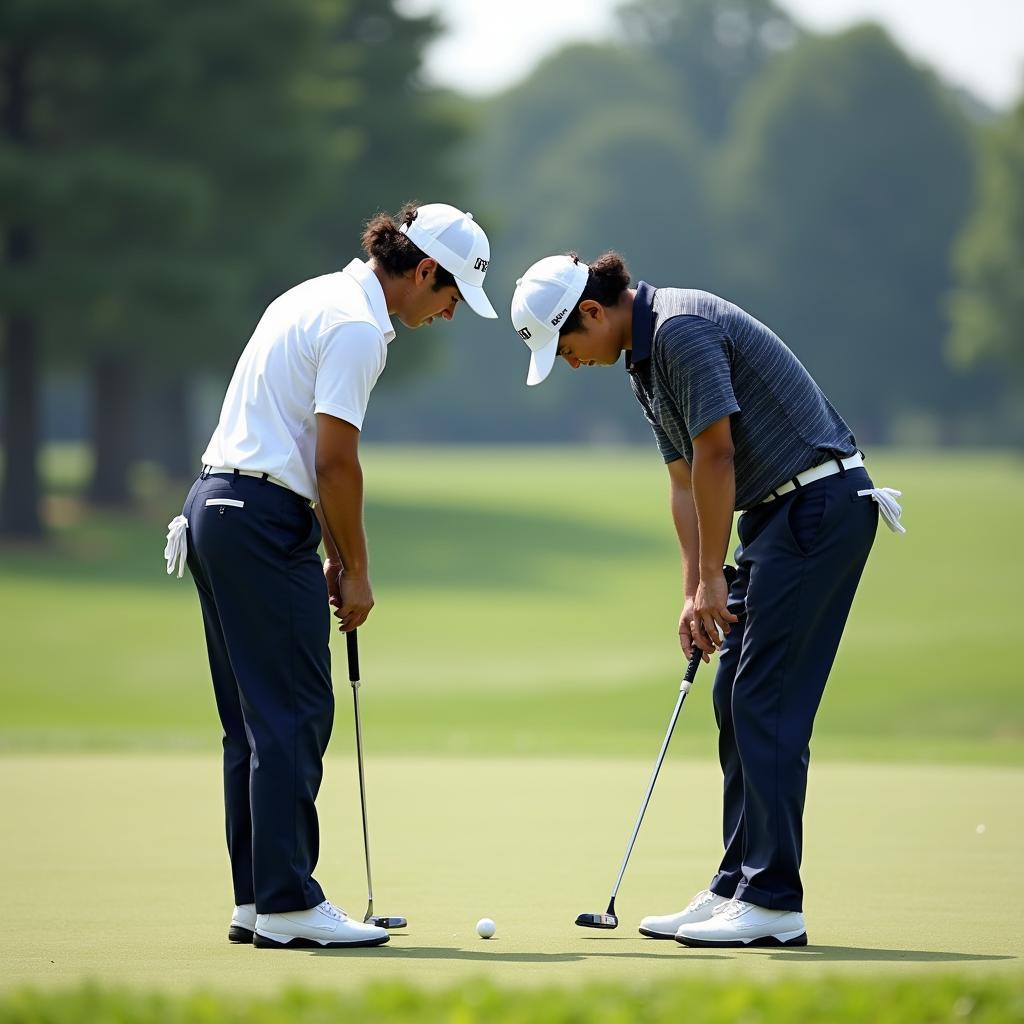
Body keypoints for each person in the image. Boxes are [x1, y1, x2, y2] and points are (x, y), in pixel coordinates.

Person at [510, 252, 903, 948]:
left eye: (567, 348)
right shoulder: (642, 359)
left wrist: (716, 580)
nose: (570, 363)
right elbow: (685, 479)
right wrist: (695, 585)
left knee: (765, 698)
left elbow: (718, 454)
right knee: (734, 696)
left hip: (819, 506)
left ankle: (774, 902)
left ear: (594, 313)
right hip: (776, 517)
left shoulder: (683, 333)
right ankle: (736, 886)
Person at [163, 202, 497, 949]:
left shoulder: (313, 294)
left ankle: (257, 901)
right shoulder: (355, 328)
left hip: (217, 507)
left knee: (253, 722)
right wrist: (355, 568)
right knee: (296, 713)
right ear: (423, 271)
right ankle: (288, 903)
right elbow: (335, 462)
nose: (448, 314)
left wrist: (327, 546)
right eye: (451, 297)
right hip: (258, 518)